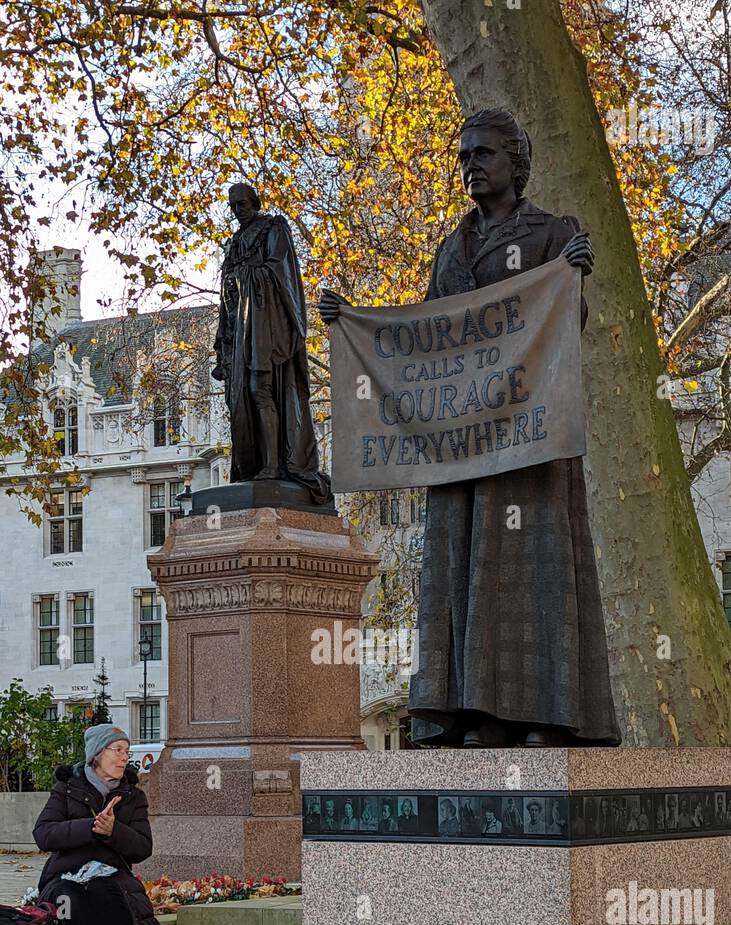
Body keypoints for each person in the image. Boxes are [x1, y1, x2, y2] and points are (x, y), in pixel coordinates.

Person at [319, 110, 620, 750]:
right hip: (458, 451)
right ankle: (465, 710)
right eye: (463, 156)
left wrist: (575, 280)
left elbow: (564, 327)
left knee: (527, 572)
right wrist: (350, 321)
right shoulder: (449, 251)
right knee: (459, 570)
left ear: (517, 161)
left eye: (483, 153)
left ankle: (543, 714)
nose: (470, 165)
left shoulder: (552, 235)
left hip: (528, 444)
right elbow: (421, 343)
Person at [212, 182, 331, 504]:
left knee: (259, 390)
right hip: (240, 333)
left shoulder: (273, 228)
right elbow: (225, 297)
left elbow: (281, 273)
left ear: (255, 202)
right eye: (233, 206)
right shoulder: (234, 243)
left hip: (267, 328)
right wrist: (222, 342)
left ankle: (274, 464)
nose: (238, 210)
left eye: (242, 204)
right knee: (242, 399)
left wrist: (247, 277)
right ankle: (254, 464)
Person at [32, 725, 163, 925]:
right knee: (69, 899)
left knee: (105, 891)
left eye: (126, 752)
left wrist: (113, 831)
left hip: (109, 874)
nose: (123, 758)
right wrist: (91, 827)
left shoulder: (133, 796)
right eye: (117, 750)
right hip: (63, 874)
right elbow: (43, 834)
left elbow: (142, 848)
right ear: (96, 754)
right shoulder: (67, 788)